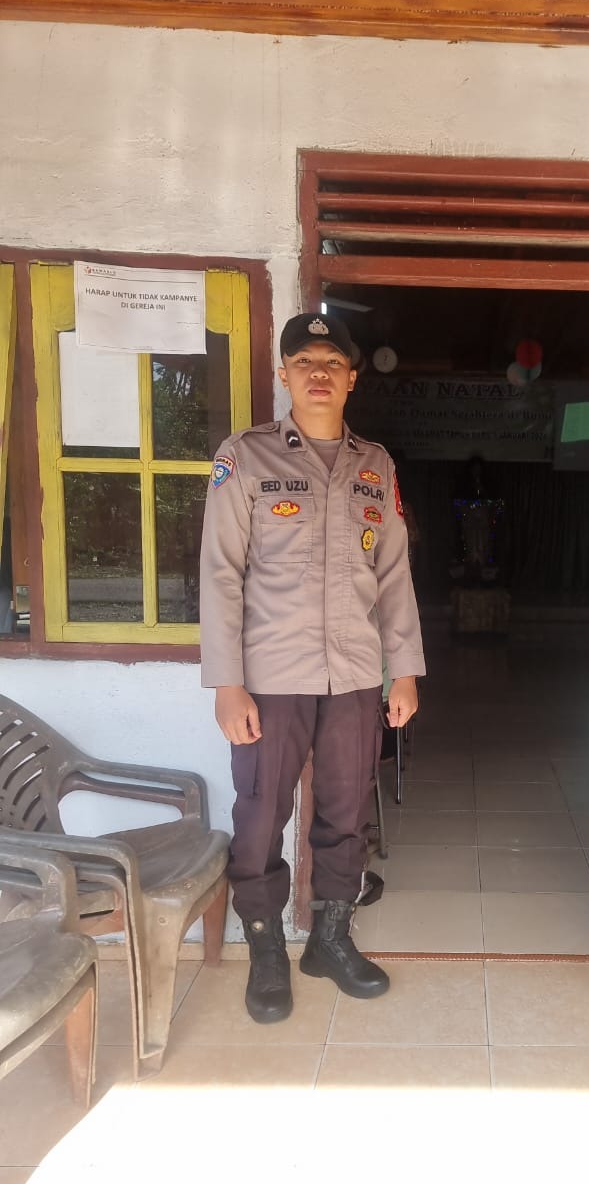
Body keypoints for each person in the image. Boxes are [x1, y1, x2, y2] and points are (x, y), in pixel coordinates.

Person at [200, 312, 424, 1024]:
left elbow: (393, 575)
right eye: (304, 362)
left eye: (331, 362)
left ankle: (330, 939)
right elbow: (220, 573)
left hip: (355, 674)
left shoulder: (375, 465)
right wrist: (227, 683)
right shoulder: (246, 458)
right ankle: (266, 946)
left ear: (352, 378)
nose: (318, 373)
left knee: (347, 812)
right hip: (270, 677)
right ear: (285, 375)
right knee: (261, 813)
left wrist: (404, 671)